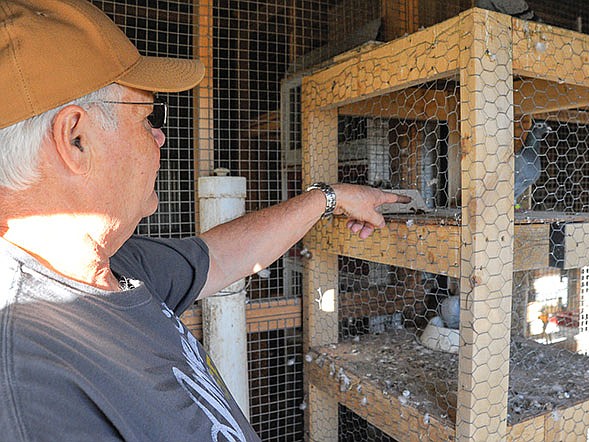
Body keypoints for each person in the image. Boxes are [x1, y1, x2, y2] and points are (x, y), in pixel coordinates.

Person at [0, 1, 409, 441]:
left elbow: (221, 255)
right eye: (147, 118)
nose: (159, 136)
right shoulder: (28, 385)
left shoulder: (111, 266)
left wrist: (328, 197)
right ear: (75, 139)